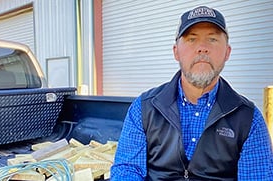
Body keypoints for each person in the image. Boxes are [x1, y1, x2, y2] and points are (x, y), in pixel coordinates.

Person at [110, 6, 273, 180]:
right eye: (192, 39)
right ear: (176, 52)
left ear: (227, 52)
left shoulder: (249, 119)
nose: (202, 48)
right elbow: (126, 170)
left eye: (212, 39)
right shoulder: (144, 109)